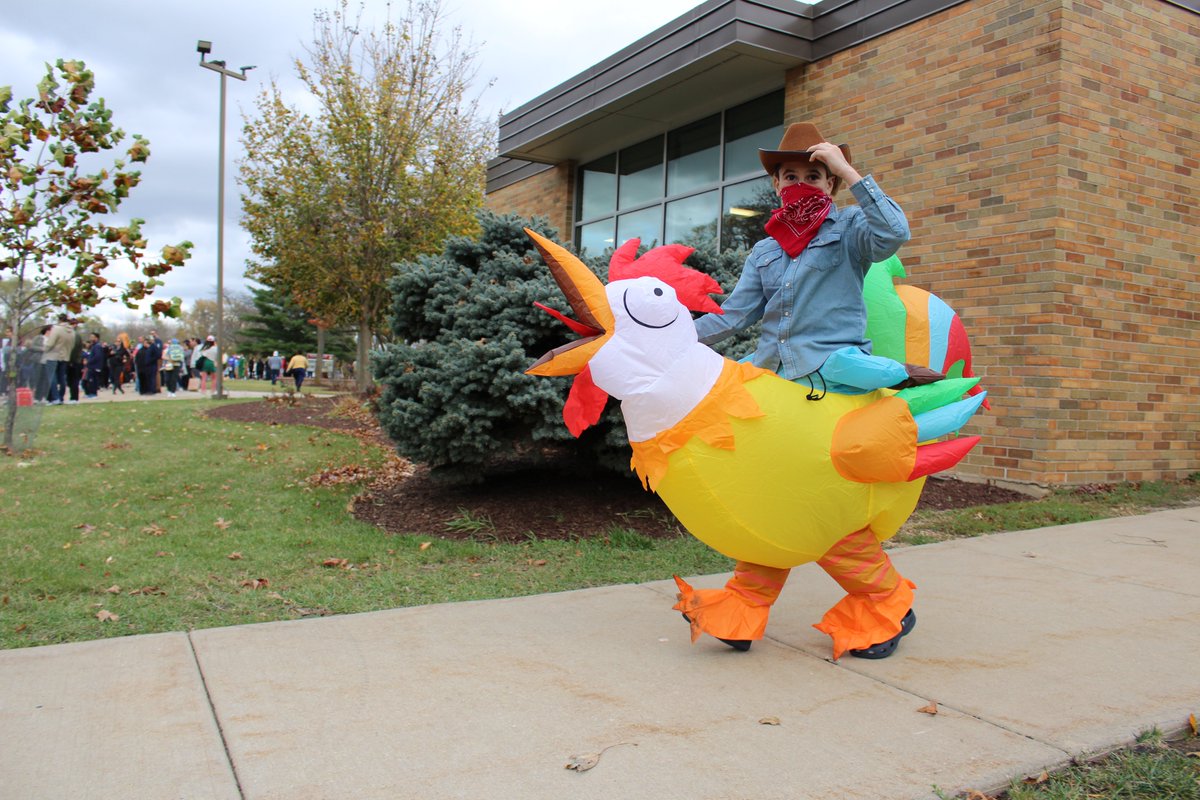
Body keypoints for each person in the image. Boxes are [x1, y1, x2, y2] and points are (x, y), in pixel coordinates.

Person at [693, 122, 940, 397]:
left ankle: (897, 375)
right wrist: (671, 335)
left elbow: (895, 232)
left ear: (829, 183)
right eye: (790, 177)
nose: (801, 185)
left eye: (813, 176)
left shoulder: (850, 226)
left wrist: (847, 171)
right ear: (777, 184)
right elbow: (732, 316)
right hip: (772, 371)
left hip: (832, 372)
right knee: (714, 394)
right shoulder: (764, 251)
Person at [38, 314, 73, 404]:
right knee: (62, 378)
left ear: (59, 320)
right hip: (65, 356)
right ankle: (61, 397)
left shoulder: (56, 329)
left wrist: (43, 349)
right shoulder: (71, 331)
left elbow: (50, 343)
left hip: (53, 356)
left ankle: (55, 398)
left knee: (52, 377)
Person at [83, 332, 106, 398]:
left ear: (96, 338)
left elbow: (97, 356)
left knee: (93, 380)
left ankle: (93, 393)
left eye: (92, 337)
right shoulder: (93, 346)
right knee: (90, 380)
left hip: (94, 366)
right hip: (92, 366)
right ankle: (90, 393)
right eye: (90, 337)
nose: (91, 338)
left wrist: (89, 362)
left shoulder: (97, 346)